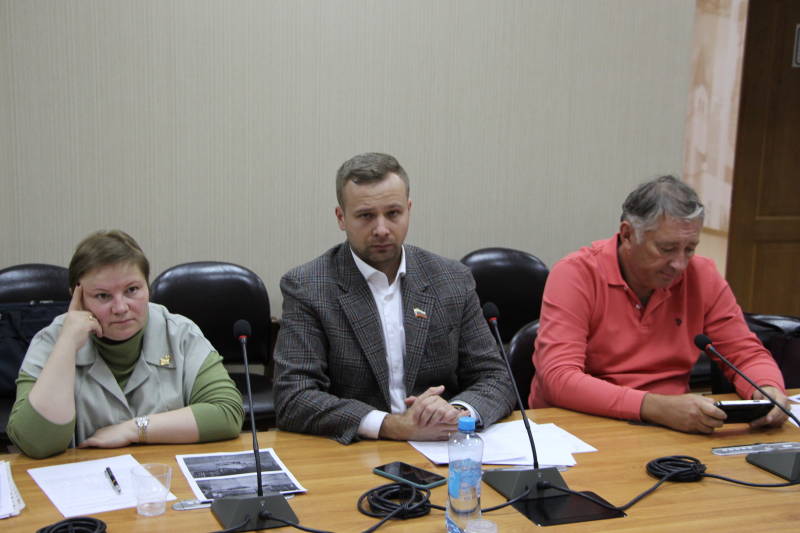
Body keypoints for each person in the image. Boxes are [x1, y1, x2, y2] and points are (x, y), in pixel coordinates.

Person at [273, 152, 515, 444]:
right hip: (356, 449)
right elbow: (294, 396)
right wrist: (390, 425)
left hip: (443, 444)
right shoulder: (308, 287)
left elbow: (495, 377)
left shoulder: (451, 279)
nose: (382, 229)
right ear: (341, 218)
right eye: (366, 216)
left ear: (408, 209)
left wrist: (456, 413)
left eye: (393, 213)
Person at [529, 176, 788, 434]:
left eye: (690, 249)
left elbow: (745, 353)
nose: (680, 264)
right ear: (628, 234)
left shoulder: (702, 275)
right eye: (667, 249)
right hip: (583, 425)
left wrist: (767, 388)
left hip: (671, 426)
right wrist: (655, 407)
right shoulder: (576, 274)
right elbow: (558, 378)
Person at [7, 230, 243, 458]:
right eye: (103, 296)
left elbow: (227, 413)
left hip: (163, 474)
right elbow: (36, 442)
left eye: (132, 290)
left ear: (147, 288)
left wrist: (135, 429)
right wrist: (67, 345)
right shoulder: (52, 341)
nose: (120, 308)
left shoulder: (179, 333)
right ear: (77, 298)